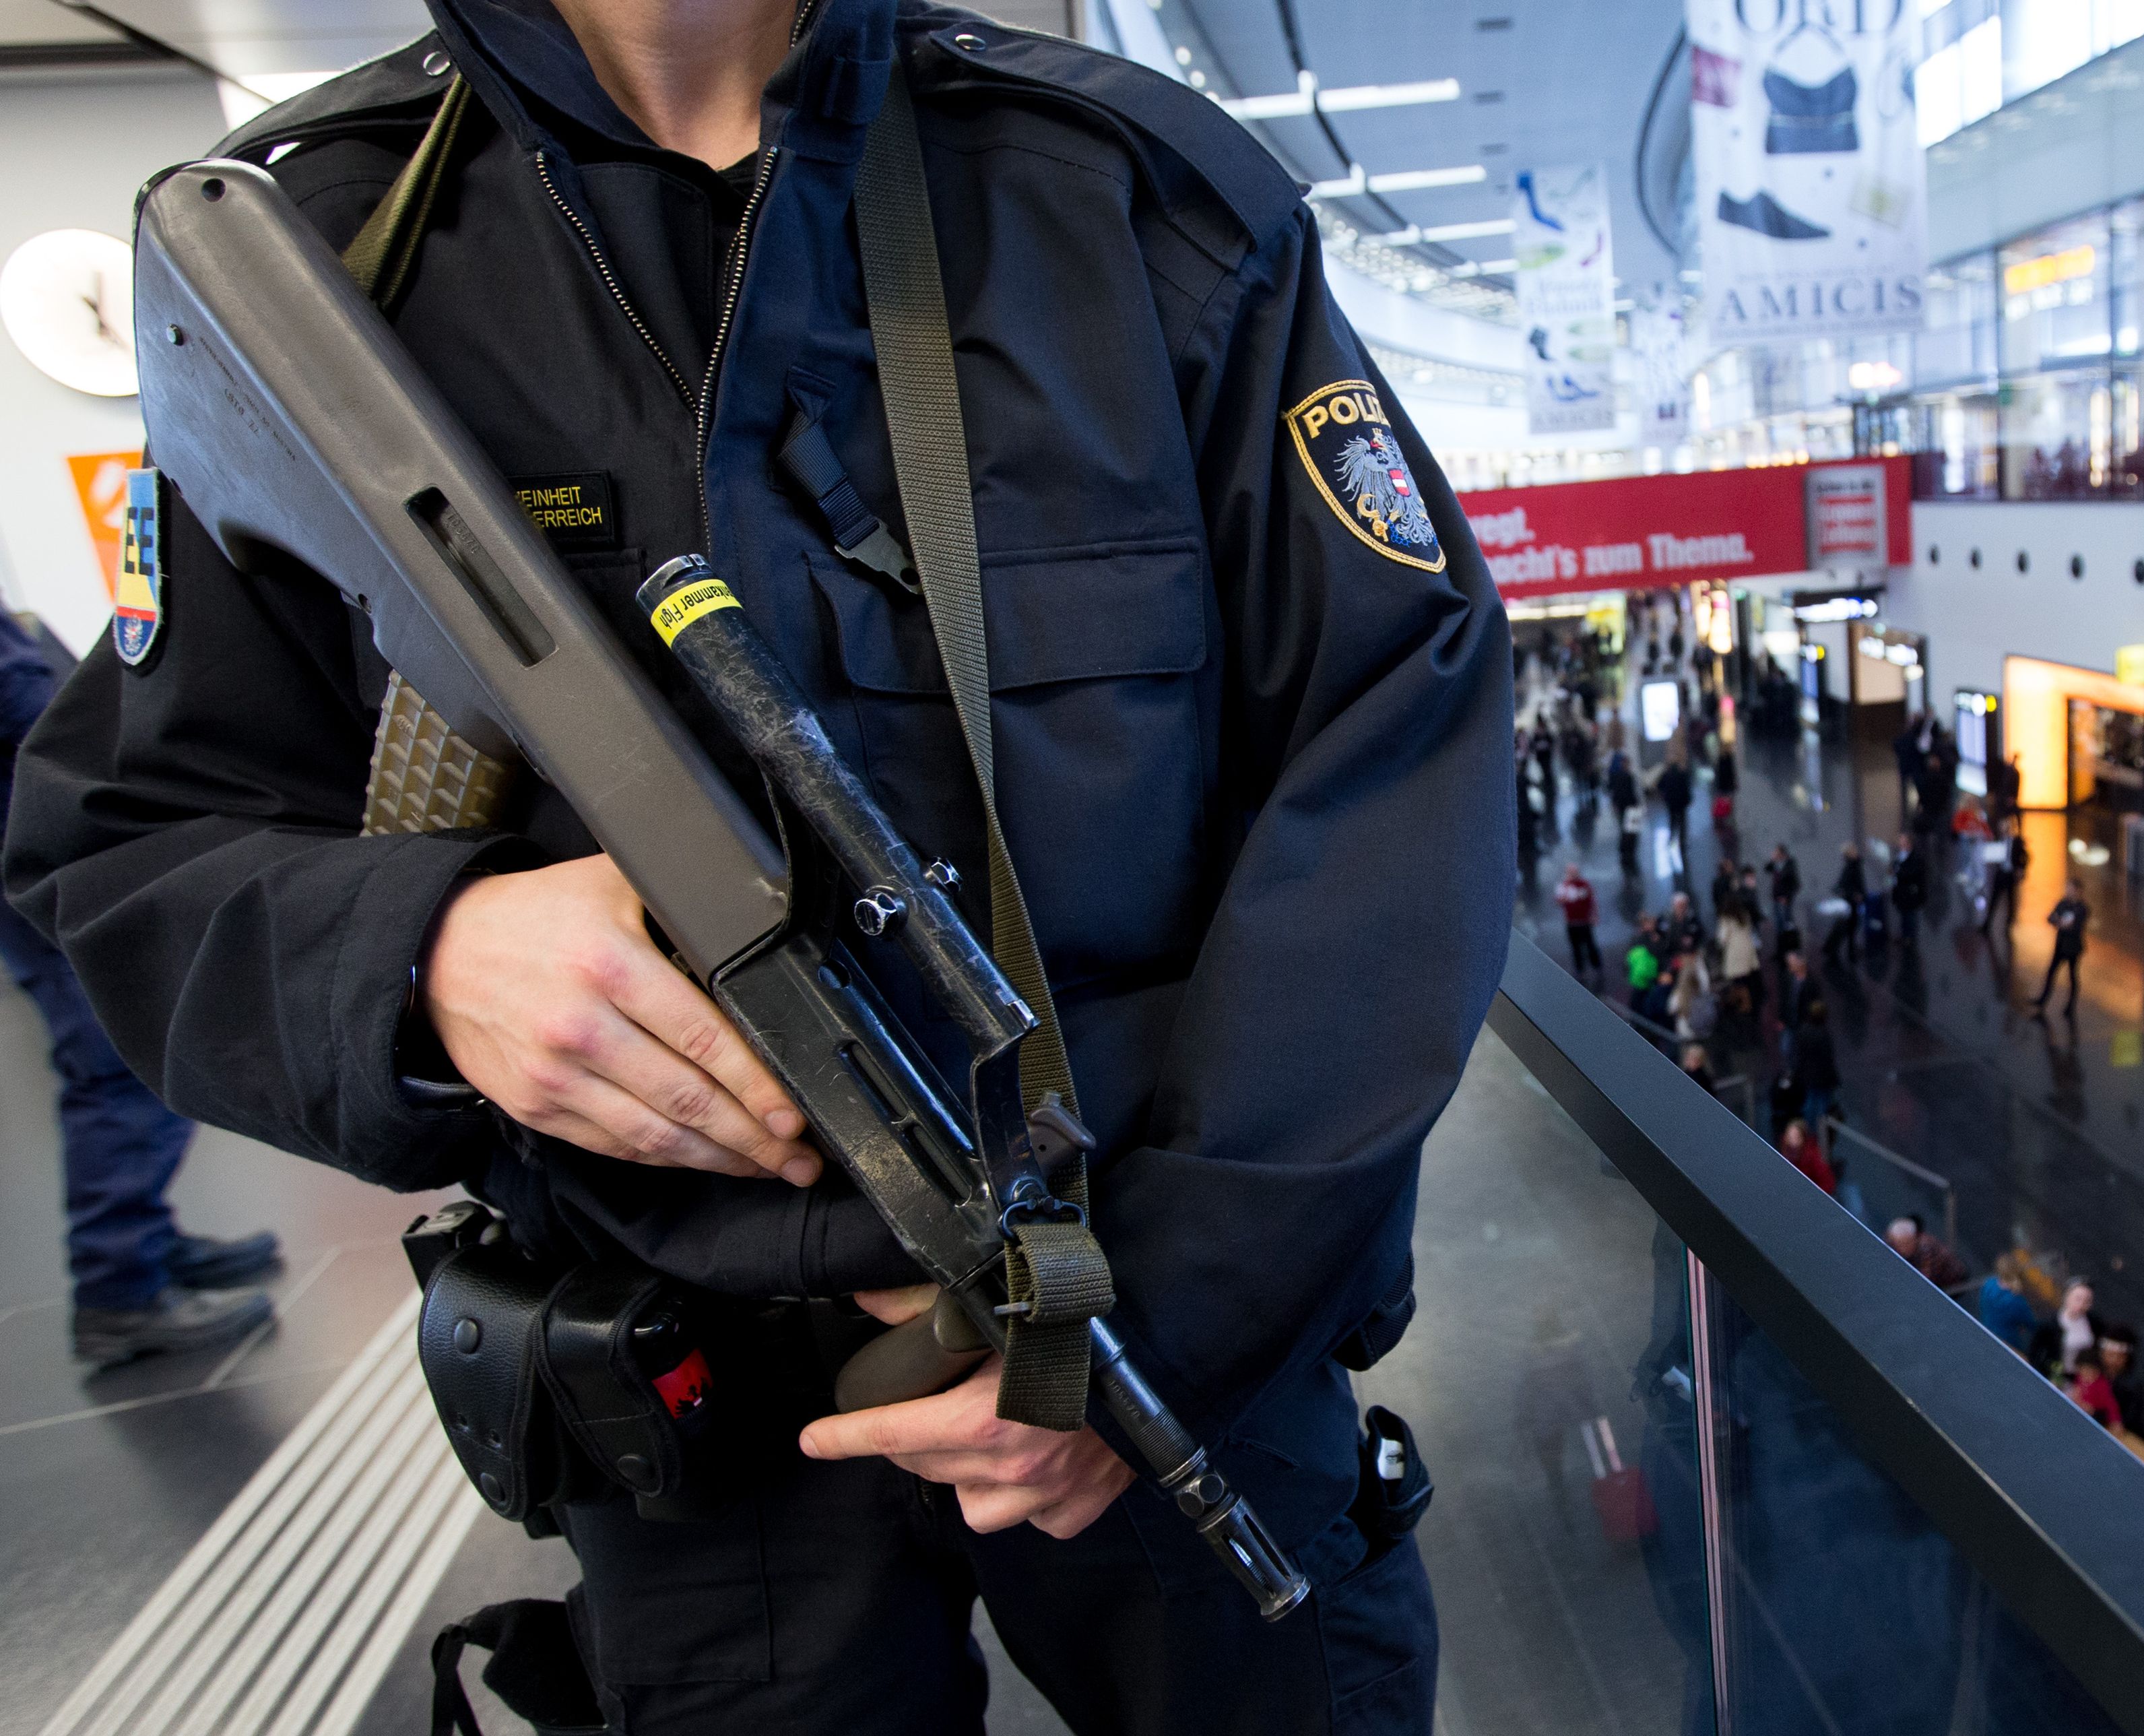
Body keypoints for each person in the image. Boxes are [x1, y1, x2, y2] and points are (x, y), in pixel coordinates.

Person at [4, 5, 1516, 1727]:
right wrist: (426, 952)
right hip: (691, 1421)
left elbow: (1399, 774)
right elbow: (129, 849)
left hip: (1161, 1352)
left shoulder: (1133, 199)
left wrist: (1185, 1299)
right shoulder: (323, 248)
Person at [0, 611, 279, 1366]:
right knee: (112, 1059)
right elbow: (29, 710)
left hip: (27, 836)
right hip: (31, 842)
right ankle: (119, 1290)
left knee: (117, 1046)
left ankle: (144, 1242)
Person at [2034, 876, 2089, 1017]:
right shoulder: (2063, 904)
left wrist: (2062, 923)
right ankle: (2043, 1000)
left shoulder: (2082, 909)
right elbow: (2051, 917)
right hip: (2061, 945)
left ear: (2078, 891)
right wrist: (2059, 922)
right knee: (2052, 972)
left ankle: (2070, 1006)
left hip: (2073, 948)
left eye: (2071, 889)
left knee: (2072, 976)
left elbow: (2075, 926)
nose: (2068, 891)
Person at [2029, 1281, 2103, 1381]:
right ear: (2067, 1297)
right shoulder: (2050, 1324)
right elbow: (2034, 1351)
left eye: (2087, 1301)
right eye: (2078, 1299)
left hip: (2082, 1379)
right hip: (2057, 1376)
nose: (2081, 1305)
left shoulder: (2094, 1323)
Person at [1787, 999, 1840, 1134]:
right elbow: (1827, 1058)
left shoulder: (1803, 1031)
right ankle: (1820, 1132)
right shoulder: (1822, 1034)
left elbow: (1798, 1054)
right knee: (1822, 1104)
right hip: (1822, 1076)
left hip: (1809, 1074)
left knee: (1810, 1101)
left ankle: (1809, 1130)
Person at [1972, 1252, 2039, 1355]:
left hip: (1986, 1331)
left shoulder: (1988, 1284)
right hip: (2009, 1344)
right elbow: (2032, 1325)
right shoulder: (2017, 1302)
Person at [1885, 1216, 1968, 1290]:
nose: (1897, 1249)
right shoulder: (1895, 1239)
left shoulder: (1927, 1251)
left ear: (1915, 1239)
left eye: (1904, 1245)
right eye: (1895, 1243)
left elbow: (1922, 1283)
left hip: (1952, 1281)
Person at [2096, 1329, 2144, 1442]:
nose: (2114, 1360)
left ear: (2127, 1359)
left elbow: (2129, 1419)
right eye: (2110, 1355)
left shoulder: (2132, 1386)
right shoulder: (2093, 1373)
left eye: (2120, 1357)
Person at [1555, 862, 1602, 982]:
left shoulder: (1584, 885)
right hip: (1572, 923)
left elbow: (1592, 901)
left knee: (1590, 945)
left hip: (1584, 922)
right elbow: (1558, 901)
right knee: (1576, 947)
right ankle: (1580, 969)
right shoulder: (1564, 886)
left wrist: (1595, 916)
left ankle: (1597, 966)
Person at [1980, 817, 2028, 930]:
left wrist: (2021, 869)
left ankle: (2009, 923)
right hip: (2000, 873)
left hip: (2011, 874)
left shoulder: (2017, 841)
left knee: (2011, 899)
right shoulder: (1998, 839)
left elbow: (2025, 856)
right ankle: (1987, 924)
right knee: (1994, 898)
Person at [1823, 842, 1866, 965]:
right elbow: (1849, 883)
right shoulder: (1852, 865)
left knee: (1850, 926)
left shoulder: (1853, 865)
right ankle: (1839, 950)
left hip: (1851, 900)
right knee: (1849, 926)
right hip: (1850, 900)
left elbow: (1854, 882)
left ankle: (1840, 949)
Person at [1778, 1119, 1838, 1198]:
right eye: (1789, 1136)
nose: (1791, 1141)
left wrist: (1811, 1196)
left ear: (1803, 1139)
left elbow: (1829, 1184)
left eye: (1796, 1137)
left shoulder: (1813, 1156)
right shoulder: (1783, 1146)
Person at [2066, 1347, 2121, 1429]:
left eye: (2093, 1372)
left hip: (2095, 1419)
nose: (2089, 1375)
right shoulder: (2079, 1379)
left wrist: (2115, 1421)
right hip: (2077, 1415)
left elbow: (2111, 1405)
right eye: (2085, 1371)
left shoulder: (2102, 1385)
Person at [1890, 830, 1928, 943]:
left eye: (1903, 841)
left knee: (1911, 916)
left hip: (1911, 892)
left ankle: (1911, 937)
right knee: (1903, 915)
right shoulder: (1900, 856)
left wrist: (1898, 873)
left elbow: (1913, 873)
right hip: (1901, 892)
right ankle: (1905, 935)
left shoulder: (1916, 857)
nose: (1901, 844)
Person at [1765, 843, 1800, 934]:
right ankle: (1781, 939)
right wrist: (1772, 860)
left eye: (1777, 852)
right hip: (1776, 895)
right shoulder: (1776, 864)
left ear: (1781, 853)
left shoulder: (1790, 863)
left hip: (1785, 896)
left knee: (1787, 920)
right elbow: (1767, 869)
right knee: (1778, 920)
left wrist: (1786, 896)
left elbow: (1792, 881)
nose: (1775, 854)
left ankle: (1788, 939)